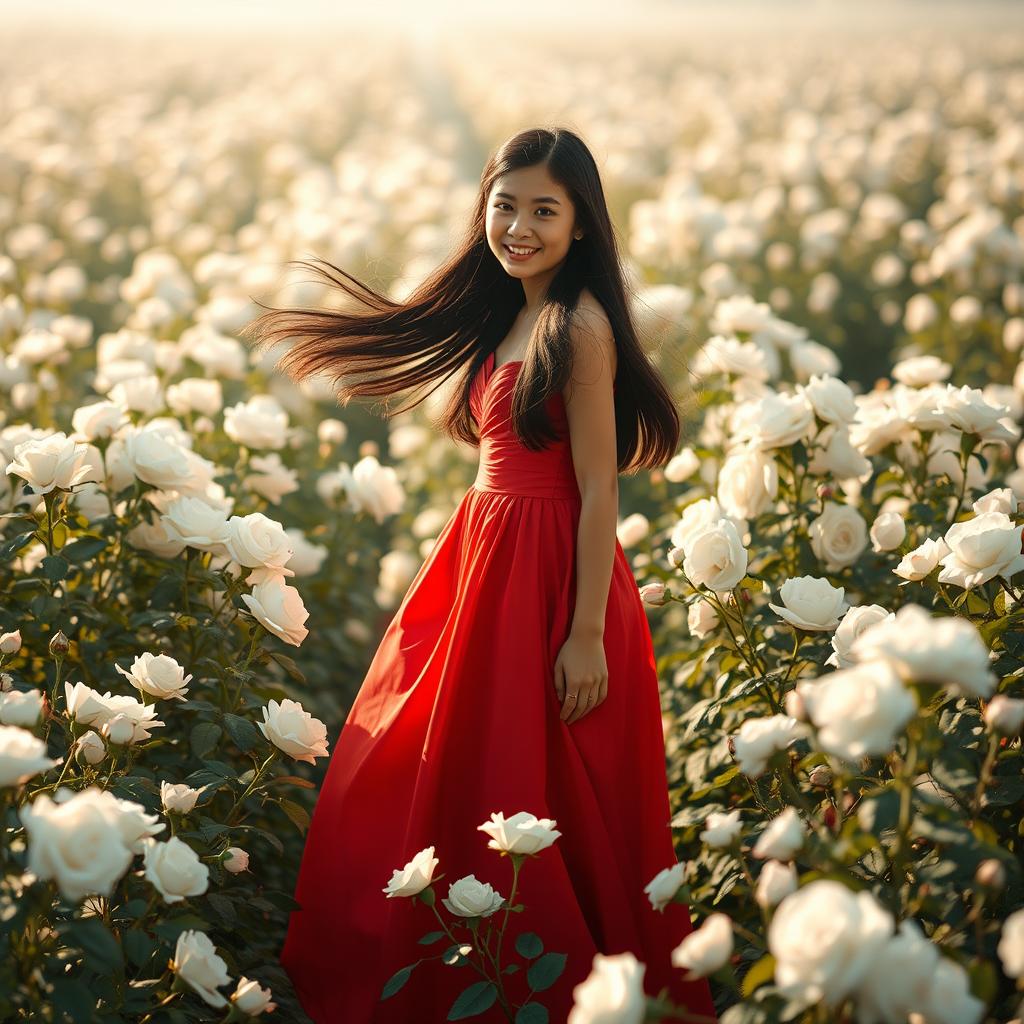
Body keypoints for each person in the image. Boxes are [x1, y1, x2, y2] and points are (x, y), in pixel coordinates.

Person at [243, 125, 718, 1024]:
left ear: (582, 225)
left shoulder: (579, 328)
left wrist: (583, 633)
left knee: (538, 788)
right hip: (484, 558)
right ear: (485, 210)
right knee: (429, 760)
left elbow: (595, 486)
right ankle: (457, 971)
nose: (520, 227)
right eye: (507, 206)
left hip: (549, 573)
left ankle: (558, 990)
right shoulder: (507, 313)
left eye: (545, 210)